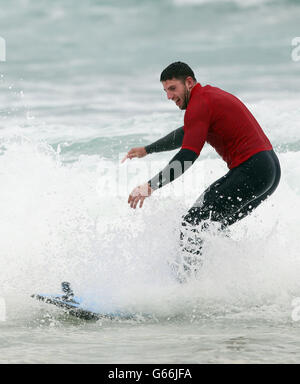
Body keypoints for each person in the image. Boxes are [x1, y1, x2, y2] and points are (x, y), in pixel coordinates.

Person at [122, 62, 281, 280]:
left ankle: (183, 290)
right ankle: (225, 284)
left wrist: (150, 186)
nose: (169, 96)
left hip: (252, 169)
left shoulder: (200, 103)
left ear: (188, 82)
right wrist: (147, 150)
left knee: (191, 226)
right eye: (165, 91)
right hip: (268, 172)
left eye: (172, 89)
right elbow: (186, 132)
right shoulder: (207, 98)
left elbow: (188, 155)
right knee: (209, 229)